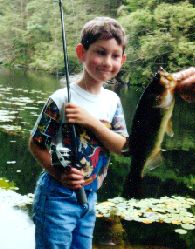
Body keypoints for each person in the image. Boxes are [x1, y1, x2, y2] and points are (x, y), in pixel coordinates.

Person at [29, 16, 128, 249]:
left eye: (115, 55)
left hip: (90, 196)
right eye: (100, 52)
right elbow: (36, 144)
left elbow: (123, 146)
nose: (107, 61)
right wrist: (58, 173)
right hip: (56, 196)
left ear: (122, 60)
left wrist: (91, 122)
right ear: (81, 53)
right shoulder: (61, 98)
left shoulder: (113, 101)